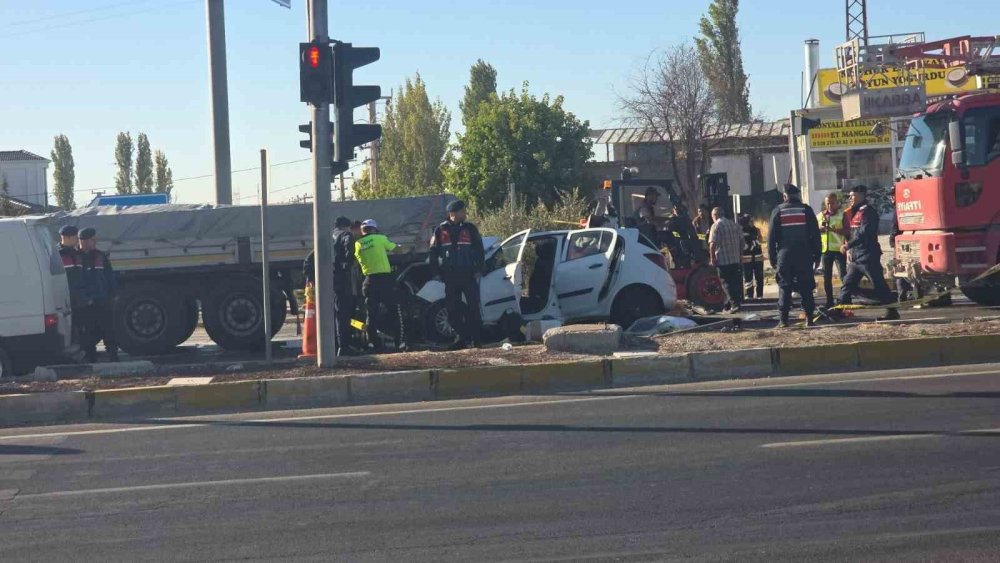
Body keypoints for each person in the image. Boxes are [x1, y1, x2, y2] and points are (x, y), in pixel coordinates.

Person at [429, 200, 485, 349]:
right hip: (450, 276)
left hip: (468, 274)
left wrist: (479, 269)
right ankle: (461, 338)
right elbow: (433, 253)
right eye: (462, 211)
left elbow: (479, 250)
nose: (465, 213)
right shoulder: (440, 230)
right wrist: (436, 273)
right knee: (453, 309)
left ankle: (476, 340)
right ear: (453, 213)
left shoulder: (470, 228)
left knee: (473, 307)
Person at [839, 185, 900, 320]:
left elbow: (864, 233)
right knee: (847, 284)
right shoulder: (856, 211)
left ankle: (891, 310)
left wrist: (849, 245)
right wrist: (849, 247)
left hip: (868, 256)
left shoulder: (868, 212)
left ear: (861, 195)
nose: (850, 198)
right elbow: (853, 232)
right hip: (856, 258)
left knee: (879, 284)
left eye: (852, 195)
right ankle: (839, 309)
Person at [767, 184, 822, 328]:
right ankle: (809, 319)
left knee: (785, 286)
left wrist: (773, 259)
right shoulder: (806, 210)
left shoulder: (778, 211)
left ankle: (783, 321)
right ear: (797, 195)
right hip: (804, 255)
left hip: (785, 255)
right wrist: (817, 256)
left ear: (785, 196)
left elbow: (771, 238)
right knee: (806, 287)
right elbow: (815, 235)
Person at [302, 216, 357, 352]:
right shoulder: (345, 234)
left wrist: (310, 277)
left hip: (328, 280)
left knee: (331, 312)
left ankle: (333, 345)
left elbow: (309, 260)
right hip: (341, 279)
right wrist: (348, 262)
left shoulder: (328, 237)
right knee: (343, 312)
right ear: (347, 226)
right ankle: (344, 346)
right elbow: (348, 244)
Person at [354, 219, 405, 352]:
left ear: (362, 231)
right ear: (375, 229)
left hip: (369, 281)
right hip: (385, 281)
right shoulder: (380, 238)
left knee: (371, 314)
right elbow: (396, 250)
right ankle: (399, 343)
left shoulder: (358, 244)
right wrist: (403, 247)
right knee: (394, 311)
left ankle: (372, 343)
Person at [78, 227, 118, 362]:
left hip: (103, 298)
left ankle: (113, 354)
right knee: (89, 330)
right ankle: (91, 356)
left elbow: (109, 276)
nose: (95, 241)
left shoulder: (100, 256)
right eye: (92, 239)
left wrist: (112, 294)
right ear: (83, 241)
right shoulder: (76, 257)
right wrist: (84, 297)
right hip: (87, 301)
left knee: (108, 328)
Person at [708, 207, 744, 313]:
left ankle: (735, 305)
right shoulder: (734, 224)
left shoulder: (716, 226)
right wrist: (740, 254)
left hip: (723, 260)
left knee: (726, 283)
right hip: (735, 259)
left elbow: (712, 244)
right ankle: (727, 304)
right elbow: (742, 241)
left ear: (714, 215)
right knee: (735, 283)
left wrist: (712, 258)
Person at [817, 192, 848, 308]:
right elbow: (814, 232)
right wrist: (820, 229)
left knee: (843, 276)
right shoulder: (820, 216)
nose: (830, 206)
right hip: (825, 250)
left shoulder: (842, 215)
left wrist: (835, 230)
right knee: (827, 277)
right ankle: (829, 301)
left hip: (838, 250)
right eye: (827, 204)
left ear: (837, 203)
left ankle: (845, 299)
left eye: (832, 203)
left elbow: (847, 231)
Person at [58, 225, 86, 346]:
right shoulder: (58, 255)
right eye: (75, 237)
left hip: (78, 299)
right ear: (67, 237)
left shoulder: (77, 254)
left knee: (80, 327)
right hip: (65, 299)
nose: (77, 240)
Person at [739, 214, 764, 301]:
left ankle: (760, 295)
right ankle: (749, 295)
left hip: (758, 257)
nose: (753, 223)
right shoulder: (741, 231)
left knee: (759, 277)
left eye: (753, 221)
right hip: (747, 258)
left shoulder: (757, 230)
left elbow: (760, 240)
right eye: (751, 221)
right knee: (748, 277)